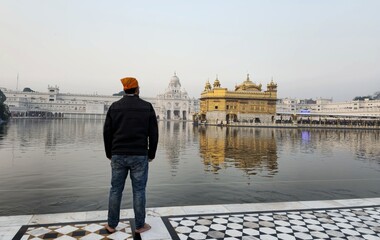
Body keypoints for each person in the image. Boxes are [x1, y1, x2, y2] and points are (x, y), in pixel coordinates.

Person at [103, 77, 159, 234]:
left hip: (118, 155)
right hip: (139, 155)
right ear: (136, 89)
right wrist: (151, 154)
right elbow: (153, 133)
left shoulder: (114, 107)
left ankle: (111, 225)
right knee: (139, 190)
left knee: (115, 190)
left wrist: (110, 153)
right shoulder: (147, 107)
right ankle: (140, 225)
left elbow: (107, 133)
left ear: (125, 89)